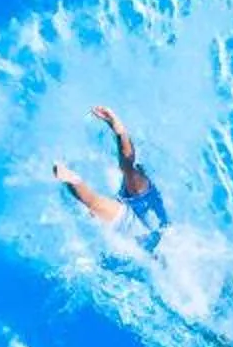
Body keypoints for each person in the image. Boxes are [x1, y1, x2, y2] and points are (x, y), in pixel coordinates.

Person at [53, 104, 167, 248]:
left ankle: (72, 179)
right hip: (146, 218)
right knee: (125, 174)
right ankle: (119, 132)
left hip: (141, 224)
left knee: (123, 175)